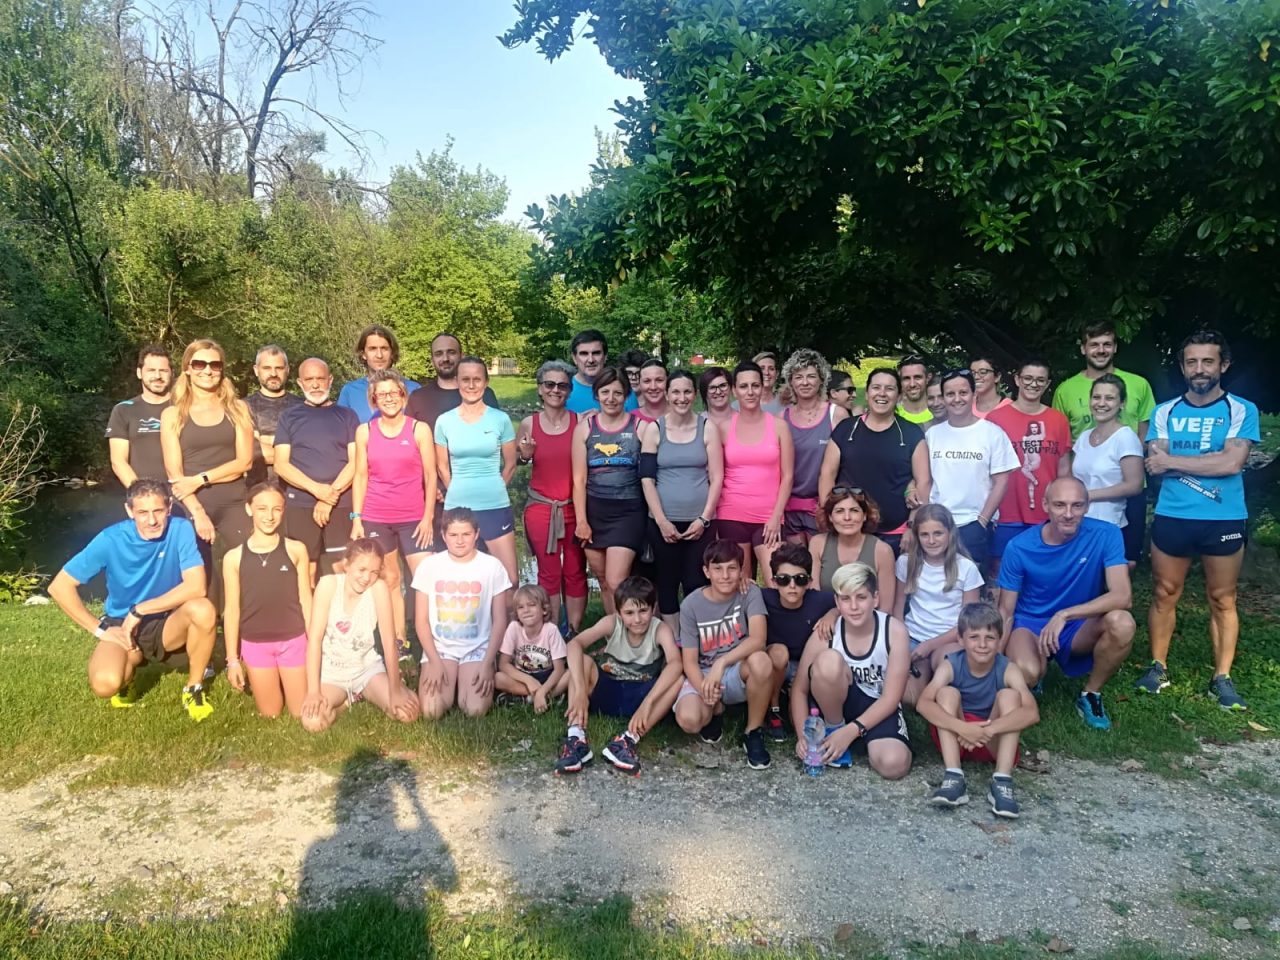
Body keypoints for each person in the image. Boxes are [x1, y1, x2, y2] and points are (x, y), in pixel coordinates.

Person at [1140, 330, 1260, 710]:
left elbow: (1232, 462)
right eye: (1191, 362)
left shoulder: (1241, 410)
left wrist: (1175, 460)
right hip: (1173, 515)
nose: (1199, 369)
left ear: (1223, 365)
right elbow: (1154, 466)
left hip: (1223, 518)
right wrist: (1210, 461)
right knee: (1164, 593)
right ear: (1182, 367)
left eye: (1208, 361)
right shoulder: (1164, 412)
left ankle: (1221, 677)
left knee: (1222, 598)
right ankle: (1158, 665)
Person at [48, 478, 217, 721]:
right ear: (130, 511)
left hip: (166, 621)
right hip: (119, 624)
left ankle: (193, 688)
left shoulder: (180, 529)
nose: (151, 520)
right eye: (142, 512)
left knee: (203, 609)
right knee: (105, 685)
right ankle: (129, 675)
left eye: (158, 511)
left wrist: (139, 610)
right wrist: (101, 631)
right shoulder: (110, 539)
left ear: (169, 507)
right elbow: (60, 586)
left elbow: (196, 586)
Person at [997, 477, 1136, 731]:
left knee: (1122, 623)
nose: (1069, 514)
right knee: (1026, 673)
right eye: (1060, 505)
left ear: (1087, 506)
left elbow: (1122, 596)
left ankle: (1090, 694)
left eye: (1077, 505)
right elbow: (1006, 610)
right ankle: (1036, 670)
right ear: (1045, 505)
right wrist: (993, 663)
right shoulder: (1019, 547)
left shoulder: (1107, 534)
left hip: (1077, 625)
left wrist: (1065, 615)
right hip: (1030, 624)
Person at [789, 562, 913, 779]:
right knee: (828, 661)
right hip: (835, 704)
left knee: (894, 765)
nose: (853, 606)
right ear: (837, 602)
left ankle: (848, 739)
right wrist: (803, 735)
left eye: (861, 597)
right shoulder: (827, 632)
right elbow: (799, 690)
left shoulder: (894, 631)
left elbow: (891, 698)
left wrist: (851, 732)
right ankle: (833, 731)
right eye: (845, 599)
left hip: (876, 705)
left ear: (875, 598)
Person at [916, 602, 1038, 818]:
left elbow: (1031, 712)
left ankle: (1002, 780)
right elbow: (923, 703)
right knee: (946, 693)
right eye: (974, 637)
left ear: (999, 640)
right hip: (955, 738)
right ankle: (954, 776)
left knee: (1010, 696)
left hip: (992, 740)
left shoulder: (1007, 668)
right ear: (961, 640)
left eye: (990, 638)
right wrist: (962, 728)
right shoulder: (951, 664)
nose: (982, 644)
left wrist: (987, 731)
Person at [556, 576, 685, 775]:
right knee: (584, 661)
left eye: (643, 611)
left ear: (653, 608)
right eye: (629, 613)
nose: (637, 619)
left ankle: (626, 741)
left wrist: (648, 703)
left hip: (639, 696)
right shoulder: (611, 623)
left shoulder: (660, 629)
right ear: (619, 613)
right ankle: (576, 738)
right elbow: (574, 644)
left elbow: (676, 663)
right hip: (608, 688)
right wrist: (581, 691)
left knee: (677, 679)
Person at [1052, 323, 1157, 564]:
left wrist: (1125, 463)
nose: (1101, 350)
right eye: (1094, 344)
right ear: (1083, 349)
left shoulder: (1138, 384)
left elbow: (1145, 435)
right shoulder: (1066, 390)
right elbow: (1065, 444)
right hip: (1083, 499)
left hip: (1122, 491)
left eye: (1107, 344)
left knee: (1122, 561)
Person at [160, 339, 254, 596]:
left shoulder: (238, 409)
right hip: (190, 503)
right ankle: (203, 630)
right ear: (187, 368)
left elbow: (244, 462)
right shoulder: (173, 414)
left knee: (248, 567)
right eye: (199, 363)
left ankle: (248, 630)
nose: (207, 370)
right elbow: (175, 475)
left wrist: (200, 478)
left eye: (215, 364)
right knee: (199, 578)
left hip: (234, 501)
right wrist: (198, 512)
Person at [674, 539, 778, 770]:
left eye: (732, 568)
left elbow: (758, 639)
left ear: (742, 570)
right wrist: (705, 689)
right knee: (689, 720)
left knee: (761, 660)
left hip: (735, 668)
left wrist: (722, 662)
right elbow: (689, 661)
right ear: (706, 571)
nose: (725, 575)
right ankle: (717, 709)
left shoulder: (749, 592)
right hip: (704, 671)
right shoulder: (691, 604)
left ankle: (753, 732)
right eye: (718, 569)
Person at [351, 369, 437, 647]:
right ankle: (398, 639)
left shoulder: (418, 429)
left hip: (414, 517)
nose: (388, 398)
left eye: (394, 393)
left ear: (403, 395)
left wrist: (428, 517)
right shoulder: (365, 431)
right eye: (382, 394)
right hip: (376, 516)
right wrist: (357, 518)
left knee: (425, 579)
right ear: (373, 399)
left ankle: (432, 639)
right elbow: (361, 475)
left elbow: (431, 475)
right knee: (389, 578)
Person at [299, 538, 420, 732]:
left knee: (406, 714)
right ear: (346, 565)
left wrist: (395, 690)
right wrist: (313, 691)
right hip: (333, 673)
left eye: (374, 572)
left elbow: (389, 642)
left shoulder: (378, 588)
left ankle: (396, 683)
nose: (366, 578)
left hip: (367, 670)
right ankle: (347, 702)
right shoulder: (328, 585)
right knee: (312, 721)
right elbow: (314, 640)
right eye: (361, 570)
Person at [639, 369, 723, 631]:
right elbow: (647, 480)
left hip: (700, 522)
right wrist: (662, 521)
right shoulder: (655, 430)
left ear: (695, 395)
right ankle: (674, 640)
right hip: (663, 523)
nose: (681, 397)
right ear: (667, 394)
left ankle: (694, 638)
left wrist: (704, 519)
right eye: (675, 391)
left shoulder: (707, 428)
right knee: (666, 581)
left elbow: (717, 477)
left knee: (696, 581)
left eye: (687, 391)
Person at [222, 482, 313, 718]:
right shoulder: (233, 558)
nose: (270, 516)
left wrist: (314, 642)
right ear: (249, 509)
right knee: (271, 713)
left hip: (293, 640)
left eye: (277, 509)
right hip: (256, 643)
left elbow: (306, 599)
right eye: (262, 509)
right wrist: (232, 659)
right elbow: (231, 610)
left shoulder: (296, 550)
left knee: (300, 713)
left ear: (284, 511)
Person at [413, 507, 513, 719]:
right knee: (432, 711)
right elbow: (421, 620)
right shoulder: (429, 566)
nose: (460, 541)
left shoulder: (492, 566)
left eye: (466, 534)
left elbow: (500, 620)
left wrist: (488, 663)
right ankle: (446, 678)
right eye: (453, 535)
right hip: (440, 648)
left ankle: (468, 682)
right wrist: (433, 661)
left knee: (474, 710)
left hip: (477, 649)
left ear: (476, 535)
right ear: (443, 536)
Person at [819, 368, 930, 555]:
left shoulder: (911, 433)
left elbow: (924, 481)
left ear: (899, 395)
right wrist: (830, 517)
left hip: (897, 533)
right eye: (876, 387)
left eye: (889, 388)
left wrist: (913, 525)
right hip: (850, 530)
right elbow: (827, 474)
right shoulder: (846, 430)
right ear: (867, 392)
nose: (882, 393)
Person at [434, 356, 519, 590]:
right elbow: (442, 466)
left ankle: (507, 627)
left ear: (486, 382)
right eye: (466, 380)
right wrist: (459, 492)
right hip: (457, 508)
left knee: (509, 580)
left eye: (477, 380)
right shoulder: (444, 422)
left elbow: (510, 463)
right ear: (458, 382)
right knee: (461, 580)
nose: (471, 385)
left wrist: (494, 487)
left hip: (494, 505)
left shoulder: (500, 419)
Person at [516, 360, 587, 634]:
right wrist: (526, 455)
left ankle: (575, 631)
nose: (555, 390)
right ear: (540, 389)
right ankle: (552, 632)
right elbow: (520, 461)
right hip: (541, 508)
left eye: (562, 385)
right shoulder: (528, 424)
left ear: (569, 391)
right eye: (549, 384)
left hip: (573, 507)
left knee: (575, 570)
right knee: (548, 572)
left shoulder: (579, 422)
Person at [273, 358, 359, 582]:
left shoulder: (347, 416)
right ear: (300, 383)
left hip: (341, 503)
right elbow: (281, 464)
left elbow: (356, 461)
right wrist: (317, 491)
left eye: (320, 379)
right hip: (300, 503)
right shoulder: (288, 417)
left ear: (329, 380)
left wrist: (329, 497)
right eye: (309, 379)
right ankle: (307, 617)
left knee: (342, 567)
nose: (315, 385)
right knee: (305, 569)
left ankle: (342, 618)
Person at [986, 359, 1072, 582]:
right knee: (1001, 573)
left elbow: (1064, 468)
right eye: (1028, 378)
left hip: (1046, 512)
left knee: (1044, 573)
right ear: (1017, 380)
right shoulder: (995, 419)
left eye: (1040, 380)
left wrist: (1063, 507)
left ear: (1047, 384)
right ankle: (1003, 617)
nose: (1033, 384)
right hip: (1006, 511)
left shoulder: (1058, 420)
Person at [924, 368, 1019, 569]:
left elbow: (1001, 481)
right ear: (943, 398)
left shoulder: (992, 433)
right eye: (950, 394)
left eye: (963, 393)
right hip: (937, 525)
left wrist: (982, 522)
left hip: (973, 525)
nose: (957, 399)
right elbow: (924, 478)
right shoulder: (932, 435)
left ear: (974, 394)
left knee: (972, 592)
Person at [572, 367, 647, 614]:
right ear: (597, 394)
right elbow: (579, 478)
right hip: (594, 512)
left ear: (626, 396)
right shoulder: (585, 428)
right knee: (604, 582)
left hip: (628, 512)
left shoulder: (640, 428)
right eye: (605, 392)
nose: (611, 398)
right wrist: (581, 520)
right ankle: (613, 636)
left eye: (617, 392)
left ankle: (629, 641)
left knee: (617, 582)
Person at [894, 504, 984, 706]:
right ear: (916, 536)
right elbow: (897, 608)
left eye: (938, 533)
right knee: (909, 697)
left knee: (948, 664)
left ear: (950, 533)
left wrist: (930, 646)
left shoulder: (966, 568)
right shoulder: (905, 563)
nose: (932, 540)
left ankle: (943, 686)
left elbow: (969, 622)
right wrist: (901, 640)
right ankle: (926, 682)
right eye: (924, 535)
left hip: (949, 639)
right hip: (914, 637)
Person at [717, 361, 794, 585]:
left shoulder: (779, 426)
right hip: (731, 513)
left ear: (762, 387)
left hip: (768, 516)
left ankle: (773, 621)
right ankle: (747, 622)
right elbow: (717, 475)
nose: (750, 392)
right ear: (734, 390)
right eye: (743, 386)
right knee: (740, 581)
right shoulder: (723, 428)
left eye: (755, 385)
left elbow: (788, 475)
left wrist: (776, 517)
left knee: (775, 581)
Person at [762, 542, 836, 740]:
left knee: (804, 728)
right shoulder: (762, 597)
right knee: (779, 652)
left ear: (810, 581)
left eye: (800, 579)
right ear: (774, 581)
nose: (792, 586)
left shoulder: (821, 600)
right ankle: (774, 707)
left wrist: (833, 613)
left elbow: (844, 602)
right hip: (776, 663)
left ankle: (795, 700)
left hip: (806, 667)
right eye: (784, 579)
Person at [1071, 374, 1145, 560]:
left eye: (1109, 398)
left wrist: (1088, 496)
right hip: (1079, 523)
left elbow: (1134, 485)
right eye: (1096, 397)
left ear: (1122, 403)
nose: (1101, 403)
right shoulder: (1084, 437)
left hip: (1109, 526)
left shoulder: (1125, 437)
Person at [781, 349, 848, 543]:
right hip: (790, 508)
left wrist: (831, 505)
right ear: (791, 381)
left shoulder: (836, 414)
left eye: (811, 376)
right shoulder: (781, 418)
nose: (805, 382)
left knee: (822, 567)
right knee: (796, 567)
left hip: (823, 507)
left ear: (821, 380)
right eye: (798, 377)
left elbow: (846, 465)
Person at [808, 487, 895, 611]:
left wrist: (836, 614)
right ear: (830, 517)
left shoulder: (882, 551)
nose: (847, 517)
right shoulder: (817, 543)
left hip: (868, 623)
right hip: (824, 623)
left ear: (865, 515)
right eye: (839, 511)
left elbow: (885, 609)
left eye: (854, 510)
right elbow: (814, 598)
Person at [106, 344, 173, 489]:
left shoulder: (185, 408)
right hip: (144, 502)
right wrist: (141, 492)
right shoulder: (123, 410)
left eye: (163, 371)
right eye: (151, 370)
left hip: (186, 497)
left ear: (171, 373)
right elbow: (118, 461)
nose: (157, 376)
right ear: (139, 373)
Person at [495, 584, 569, 711]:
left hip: (548, 675)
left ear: (544, 609)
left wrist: (542, 690)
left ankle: (538, 696)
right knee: (497, 678)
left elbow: (559, 669)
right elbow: (503, 664)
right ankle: (546, 697)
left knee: (571, 674)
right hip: (522, 676)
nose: (526, 610)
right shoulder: (514, 628)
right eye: (521, 607)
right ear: (517, 613)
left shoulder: (551, 630)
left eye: (532, 605)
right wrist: (528, 680)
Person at [406, 332, 500, 430]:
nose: (445, 358)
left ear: (461, 356)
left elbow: (498, 436)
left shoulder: (483, 393)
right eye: (439, 354)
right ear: (432, 360)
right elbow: (408, 439)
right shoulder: (418, 398)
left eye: (451, 352)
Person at [337, 324, 420, 422]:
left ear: (392, 353)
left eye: (384, 348)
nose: (379, 355)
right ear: (363, 354)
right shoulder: (349, 392)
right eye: (372, 349)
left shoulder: (414, 390)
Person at [244, 344, 302, 485]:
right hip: (256, 490)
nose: (273, 374)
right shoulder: (243, 407)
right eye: (267, 368)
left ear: (287, 370)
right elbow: (251, 452)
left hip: (297, 489)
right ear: (256, 370)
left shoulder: (303, 407)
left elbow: (313, 450)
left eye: (279, 368)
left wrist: (265, 442)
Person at [566, 329, 637, 414]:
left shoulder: (623, 389)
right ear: (574, 358)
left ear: (605, 356)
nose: (591, 360)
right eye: (584, 354)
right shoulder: (562, 389)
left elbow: (635, 425)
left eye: (596, 353)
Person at [895, 356, 934, 425]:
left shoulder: (939, 411)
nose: (912, 384)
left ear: (928, 378)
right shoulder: (893, 414)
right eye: (906, 378)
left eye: (917, 377)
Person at [697, 365, 735, 431]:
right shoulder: (697, 424)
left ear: (731, 388)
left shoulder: (744, 420)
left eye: (723, 385)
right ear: (704, 392)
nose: (718, 392)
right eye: (712, 387)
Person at [634, 357, 669, 422]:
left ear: (668, 382)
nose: (653, 387)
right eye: (647, 381)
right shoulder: (630, 419)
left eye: (659, 380)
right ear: (640, 384)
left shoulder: (681, 416)